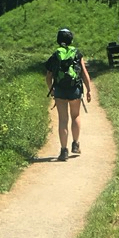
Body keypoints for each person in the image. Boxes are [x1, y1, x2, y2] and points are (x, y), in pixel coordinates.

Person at [45, 27, 92, 161]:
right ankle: (75, 144)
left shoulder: (55, 55)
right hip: (74, 89)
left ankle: (63, 151)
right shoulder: (77, 53)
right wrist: (88, 90)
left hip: (60, 89)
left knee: (63, 120)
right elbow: (84, 73)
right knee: (75, 115)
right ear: (71, 39)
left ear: (58, 40)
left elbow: (48, 76)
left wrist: (52, 89)